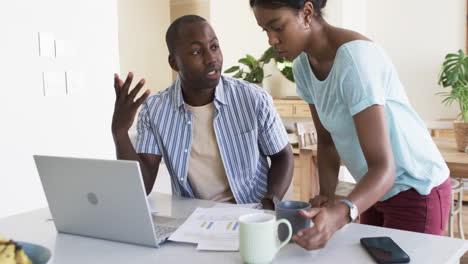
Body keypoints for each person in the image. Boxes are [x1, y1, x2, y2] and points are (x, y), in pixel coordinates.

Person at [250, 0, 451, 249]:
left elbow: (384, 167)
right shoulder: (303, 65)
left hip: (416, 189)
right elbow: (326, 140)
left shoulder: (355, 61)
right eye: (265, 30)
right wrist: (326, 196)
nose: (271, 40)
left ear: (307, 13)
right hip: (374, 190)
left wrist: (340, 215)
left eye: (277, 27)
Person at [111, 15, 294, 209]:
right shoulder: (154, 110)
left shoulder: (253, 99)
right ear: (174, 63)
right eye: (197, 51)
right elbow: (143, 186)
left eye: (214, 47)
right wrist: (120, 132)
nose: (211, 58)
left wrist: (268, 204)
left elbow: (283, 156)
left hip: (250, 214)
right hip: (191, 220)